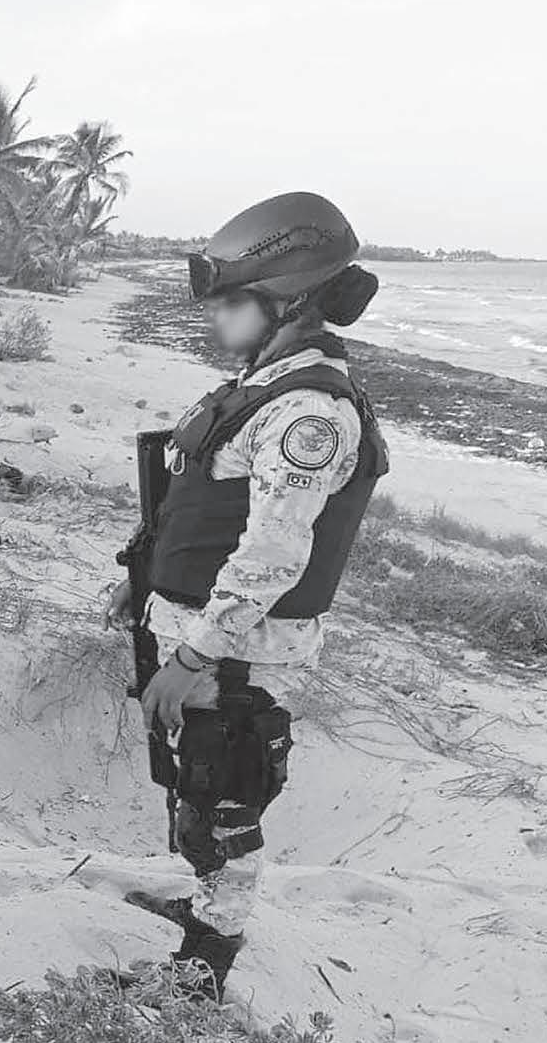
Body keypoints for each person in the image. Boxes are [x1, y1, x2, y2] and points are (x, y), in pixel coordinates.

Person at [106, 191, 389, 999]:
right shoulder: (264, 385)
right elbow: (206, 507)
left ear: (284, 304)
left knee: (225, 795)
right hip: (208, 630)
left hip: (238, 650)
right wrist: (144, 582)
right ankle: (204, 908)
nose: (216, 316)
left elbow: (272, 555)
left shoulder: (308, 411)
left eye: (231, 302)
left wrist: (194, 657)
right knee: (194, 782)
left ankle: (204, 969)